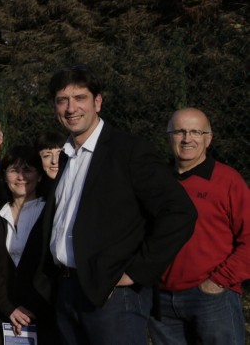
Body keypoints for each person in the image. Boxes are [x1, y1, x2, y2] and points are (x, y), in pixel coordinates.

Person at [37, 65, 196, 345]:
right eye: (63, 100)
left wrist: (135, 272)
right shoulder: (66, 156)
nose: (71, 108)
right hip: (67, 292)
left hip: (112, 296)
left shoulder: (128, 150)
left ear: (98, 102)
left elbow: (180, 212)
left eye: (80, 98)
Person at [149, 108, 249, 345]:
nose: (187, 139)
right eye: (180, 131)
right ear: (168, 136)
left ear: (208, 138)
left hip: (212, 297)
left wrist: (219, 281)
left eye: (195, 131)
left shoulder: (228, 181)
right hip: (161, 299)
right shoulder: (155, 180)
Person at [0, 146, 56, 345]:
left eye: (28, 170)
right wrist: (10, 308)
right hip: (4, 318)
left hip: (45, 317)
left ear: (39, 176)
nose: (21, 177)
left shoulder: (51, 213)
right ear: (4, 177)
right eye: (14, 170)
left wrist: (33, 310)